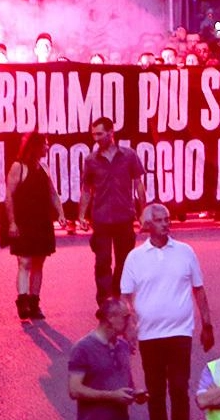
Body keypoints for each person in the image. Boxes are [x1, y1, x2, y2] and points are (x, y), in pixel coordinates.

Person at [120, 203, 215, 420]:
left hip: (180, 333)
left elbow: (199, 290)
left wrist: (207, 325)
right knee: (156, 392)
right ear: (148, 225)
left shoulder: (185, 252)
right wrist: (129, 327)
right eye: (160, 220)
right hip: (149, 335)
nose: (166, 224)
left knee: (180, 388)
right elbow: (125, 297)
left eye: (167, 219)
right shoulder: (135, 257)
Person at [81, 116, 147, 304]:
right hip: (101, 218)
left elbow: (138, 185)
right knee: (102, 262)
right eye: (93, 134)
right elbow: (86, 189)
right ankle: (104, 302)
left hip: (124, 216)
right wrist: (81, 215)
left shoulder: (129, 156)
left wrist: (143, 212)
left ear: (111, 133)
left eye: (100, 134)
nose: (96, 138)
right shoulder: (91, 160)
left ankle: (118, 298)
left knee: (124, 261)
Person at [4, 132, 66, 320]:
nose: (47, 147)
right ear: (35, 146)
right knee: (24, 262)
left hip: (41, 222)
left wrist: (61, 213)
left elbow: (53, 193)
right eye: (45, 144)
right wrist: (12, 222)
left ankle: (34, 302)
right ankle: (22, 302)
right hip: (24, 222)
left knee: (38, 263)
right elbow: (9, 196)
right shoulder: (18, 167)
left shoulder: (44, 167)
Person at [68, 297, 145, 420]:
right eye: (125, 317)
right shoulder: (83, 348)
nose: (129, 322)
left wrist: (134, 393)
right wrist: (112, 396)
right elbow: (75, 390)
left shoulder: (123, 347)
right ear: (110, 318)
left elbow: (126, 383)